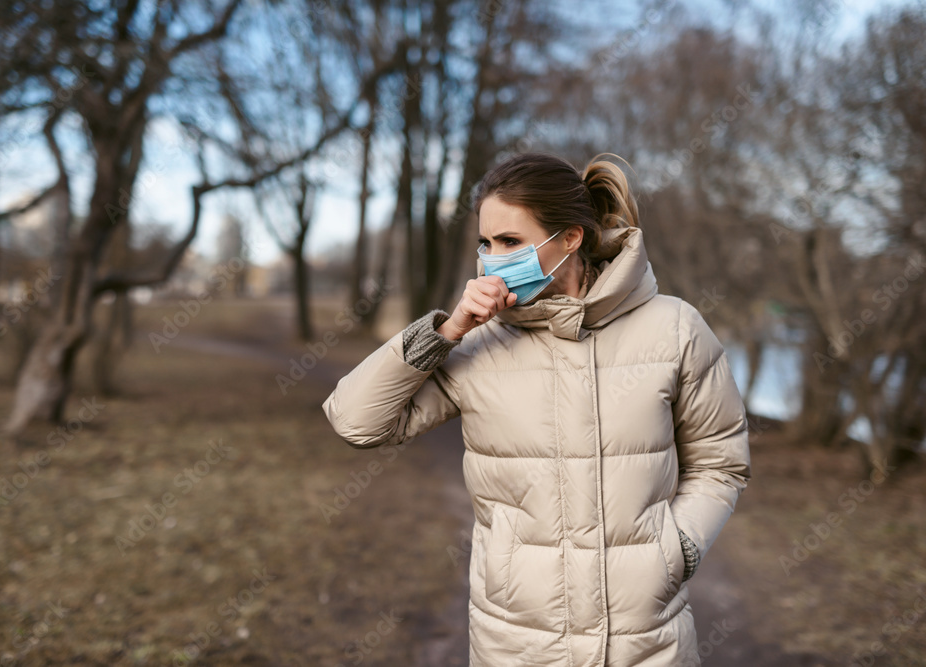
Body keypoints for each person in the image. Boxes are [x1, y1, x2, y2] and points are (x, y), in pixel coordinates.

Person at [321, 151, 751, 666]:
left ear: (570, 237)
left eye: (510, 242)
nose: (492, 257)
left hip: (646, 644)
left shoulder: (674, 329)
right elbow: (356, 422)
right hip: (516, 645)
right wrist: (445, 331)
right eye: (485, 242)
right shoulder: (476, 345)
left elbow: (719, 463)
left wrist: (675, 553)